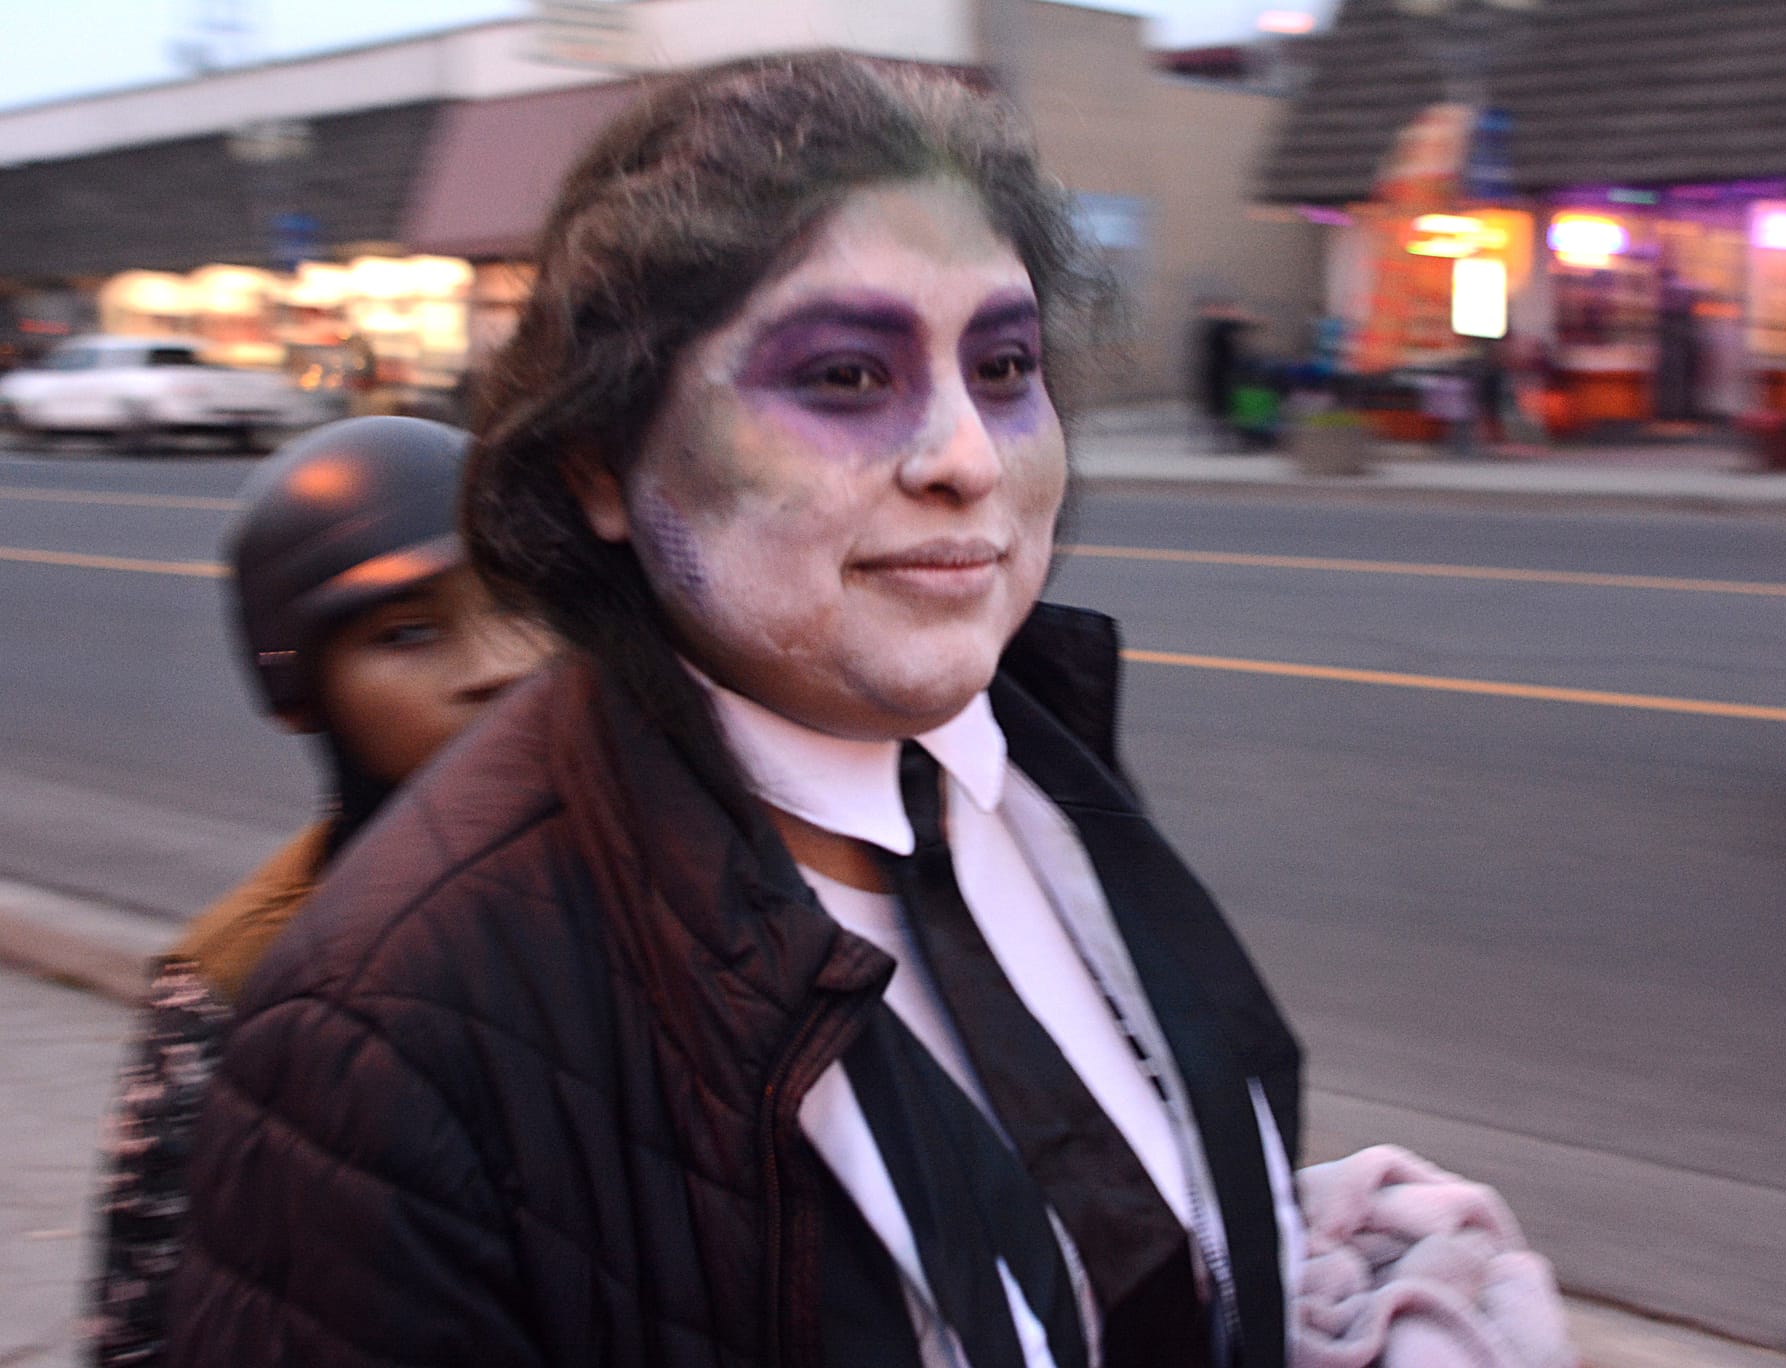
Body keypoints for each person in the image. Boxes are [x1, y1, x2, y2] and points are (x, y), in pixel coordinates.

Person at [164, 53, 1303, 1368]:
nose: (969, 458)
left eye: (1002, 365)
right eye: (844, 377)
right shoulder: (383, 1031)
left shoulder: (1042, 764)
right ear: (602, 462)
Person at [90, 416, 549, 1366]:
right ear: (304, 692)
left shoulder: (699, 884)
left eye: (523, 601)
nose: (500, 664)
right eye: (409, 632)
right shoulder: (238, 985)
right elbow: (145, 1329)